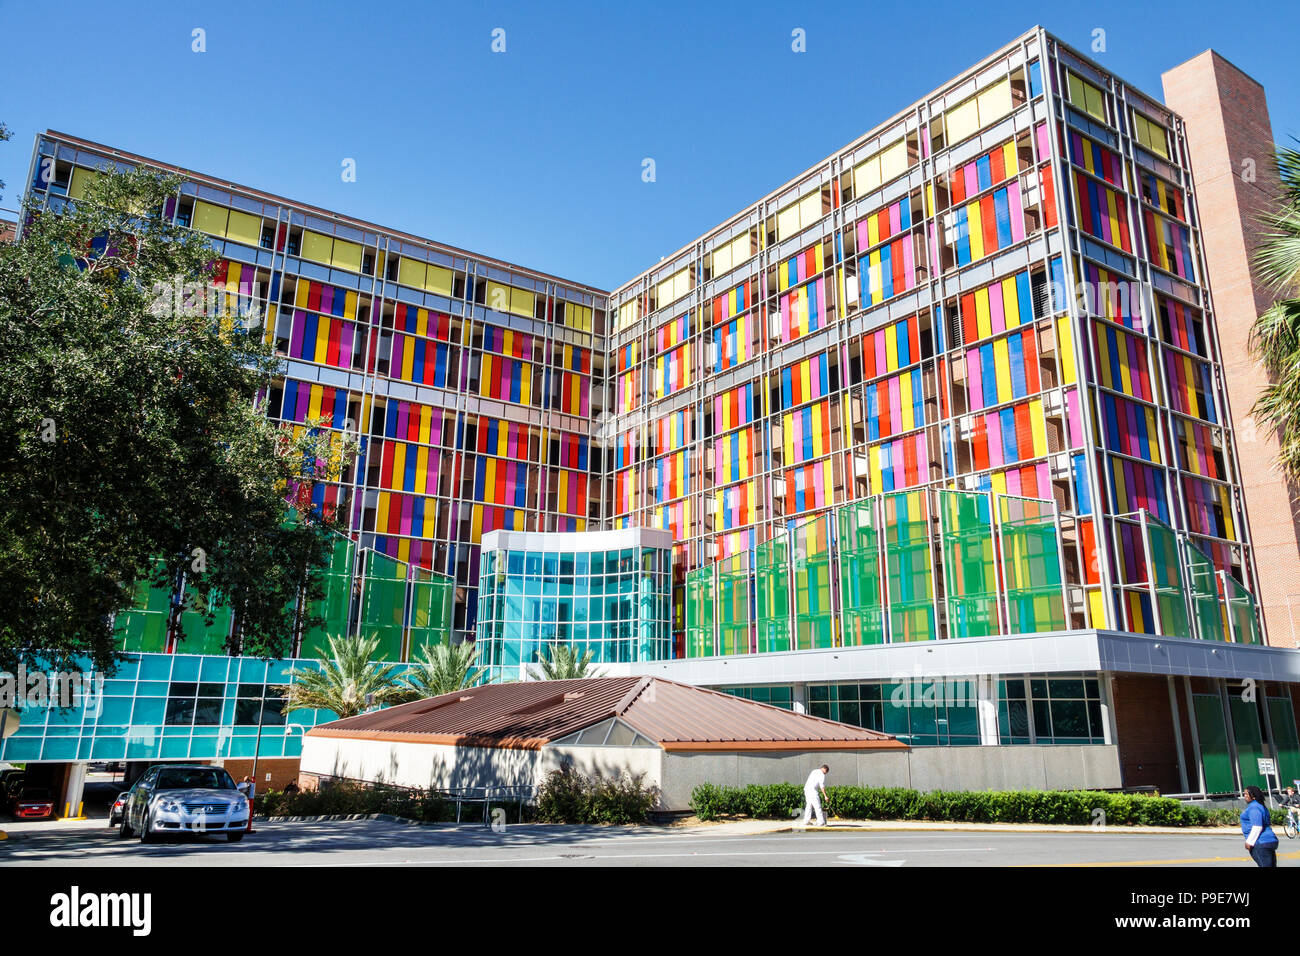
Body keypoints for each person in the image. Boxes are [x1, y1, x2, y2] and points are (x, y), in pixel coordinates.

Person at [1241, 785, 1279, 867]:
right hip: (1269, 840)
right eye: (1244, 794)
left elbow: (1257, 826)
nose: (1245, 796)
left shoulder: (1254, 807)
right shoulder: (1261, 806)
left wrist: (1249, 842)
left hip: (1260, 842)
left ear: (1253, 796)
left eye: (1247, 794)